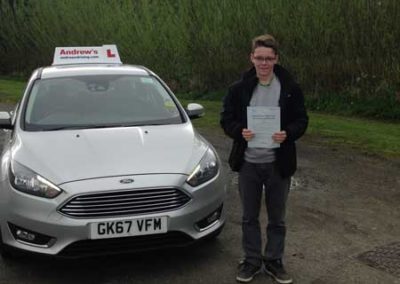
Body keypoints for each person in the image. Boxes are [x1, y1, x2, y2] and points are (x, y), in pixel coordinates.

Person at [220, 34, 308, 283]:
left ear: (276, 59)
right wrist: (240, 131)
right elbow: (226, 119)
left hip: (278, 164)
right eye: (259, 58)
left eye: (269, 58)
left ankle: (273, 261)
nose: (264, 63)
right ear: (252, 58)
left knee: (277, 219)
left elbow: (302, 120)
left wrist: (288, 133)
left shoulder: (290, 89)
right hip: (248, 163)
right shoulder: (238, 89)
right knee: (249, 217)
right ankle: (251, 261)